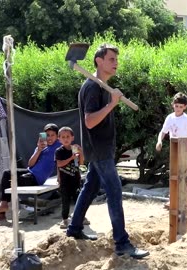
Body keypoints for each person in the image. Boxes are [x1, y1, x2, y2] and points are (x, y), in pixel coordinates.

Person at [66, 43, 149, 259]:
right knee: (114, 191)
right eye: (111, 59)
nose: (116, 63)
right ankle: (122, 243)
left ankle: (74, 228)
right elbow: (90, 121)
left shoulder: (102, 86)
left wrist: (111, 101)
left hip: (101, 148)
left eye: (116, 60)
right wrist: (112, 104)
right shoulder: (93, 87)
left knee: (90, 188)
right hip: (99, 149)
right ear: (98, 61)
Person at [0, 123, 61, 220]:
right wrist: (39, 150)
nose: (49, 138)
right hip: (29, 172)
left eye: (52, 135)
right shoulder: (41, 146)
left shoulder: (58, 146)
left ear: (57, 136)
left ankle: (2, 208)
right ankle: (3, 206)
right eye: (47, 135)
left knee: (10, 181)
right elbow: (30, 164)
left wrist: (60, 177)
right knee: (6, 173)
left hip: (36, 178)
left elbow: (63, 157)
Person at [155, 92, 187, 200]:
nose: (178, 108)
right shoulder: (170, 118)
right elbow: (163, 131)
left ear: (185, 107)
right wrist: (159, 141)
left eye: (181, 106)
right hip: (174, 147)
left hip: (185, 147)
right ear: (172, 105)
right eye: (176, 106)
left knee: (186, 171)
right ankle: (176, 195)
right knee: (175, 171)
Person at [55, 126, 87, 229]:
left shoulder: (74, 149)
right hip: (64, 181)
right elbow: (59, 164)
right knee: (65, 201)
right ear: (59, 139)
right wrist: (71, 158)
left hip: (75, 179)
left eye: (68, 136)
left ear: (72, 137)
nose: (66, 139)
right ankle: (65, 220)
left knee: (79, 199)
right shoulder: (59, 151)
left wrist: (81, 152)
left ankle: (81, 217)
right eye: (63, 137)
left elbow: (81, 163)